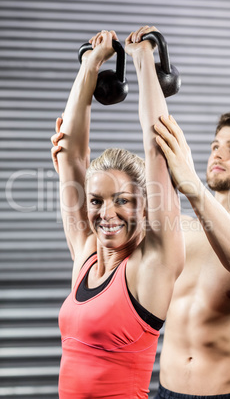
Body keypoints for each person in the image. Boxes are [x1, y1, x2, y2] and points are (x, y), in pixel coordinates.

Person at [51, 26, 184, 398]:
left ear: (145, 204)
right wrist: (90, 65)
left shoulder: (151, 266)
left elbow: (158, 149)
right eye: (96, 200)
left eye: (123, 200)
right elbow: (71, 154)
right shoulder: (86, 256)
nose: (107, 213)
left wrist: (143, 59)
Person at [153, 110, 230, 399]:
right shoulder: (180, 229)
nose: (218, 154)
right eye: (215, 146)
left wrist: (191, 185)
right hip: (166, 392)